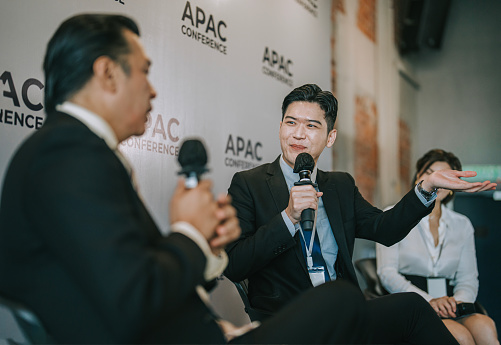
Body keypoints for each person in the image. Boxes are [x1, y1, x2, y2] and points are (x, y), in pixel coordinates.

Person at [0, 14, 377, 344]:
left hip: (205, 333)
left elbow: (126, 280)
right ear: (108, 74)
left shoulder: (75, 151)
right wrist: (190, 235)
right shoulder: (67, 154)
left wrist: (208, 250)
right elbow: (132, 300)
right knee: (343, 302)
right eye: (145, 71)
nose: (153, 90)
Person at [224, 84, 496, 344]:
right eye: (290, 122)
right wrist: (288, 218)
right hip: (288, 316)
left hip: (344, 311)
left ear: (330, 137)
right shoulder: (250, 184)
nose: (298, 134)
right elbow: (235, 264)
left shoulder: (340, 185)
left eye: (311, 125)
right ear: (280, 127)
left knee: (413, 309)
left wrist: (427, 186)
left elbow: (385, 229)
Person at [376, 149, 499, 345]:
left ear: (453, 185)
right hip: (412, 303)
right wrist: (429, 301)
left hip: (452, 304)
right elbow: (387, 272)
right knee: (460, 337)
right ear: (419, 177)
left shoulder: (462, 224)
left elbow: (468, 277)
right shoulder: (394, 214)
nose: (438, 180)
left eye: (445, 175)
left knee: (485, 326)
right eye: (430, 173)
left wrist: (455, 304)